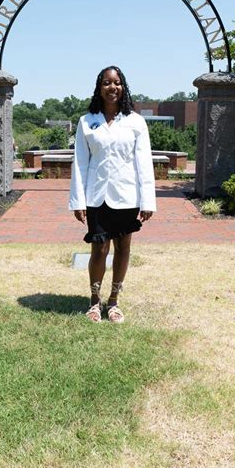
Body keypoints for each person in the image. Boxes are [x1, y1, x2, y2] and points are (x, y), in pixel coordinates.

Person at [69, 66, 156, 323]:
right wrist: (78, 200)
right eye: (107, 82)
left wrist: (147, 200)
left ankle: (114, 302)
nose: (112, 87)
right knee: (99, 249)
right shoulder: (87, 122)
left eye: (117, 83)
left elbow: (144, 163)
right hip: (96, 196)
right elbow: (80, 163)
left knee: (123, 247)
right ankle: (94, 301)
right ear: (99, 87)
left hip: (127, 195)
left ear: (123, 87)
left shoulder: (136, 122)